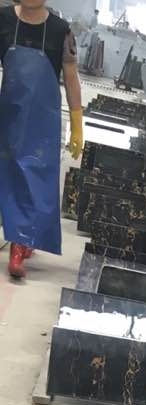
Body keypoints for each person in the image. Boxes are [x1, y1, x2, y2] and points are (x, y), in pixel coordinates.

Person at [0, 0, 83, 279]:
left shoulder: (61, 31)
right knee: (9, 176)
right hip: (9, 115)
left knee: (36, 182)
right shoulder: (3, 20)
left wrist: (77, 122)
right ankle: (19, 237)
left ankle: (21, 242)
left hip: (42, 122)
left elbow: (71, 77)